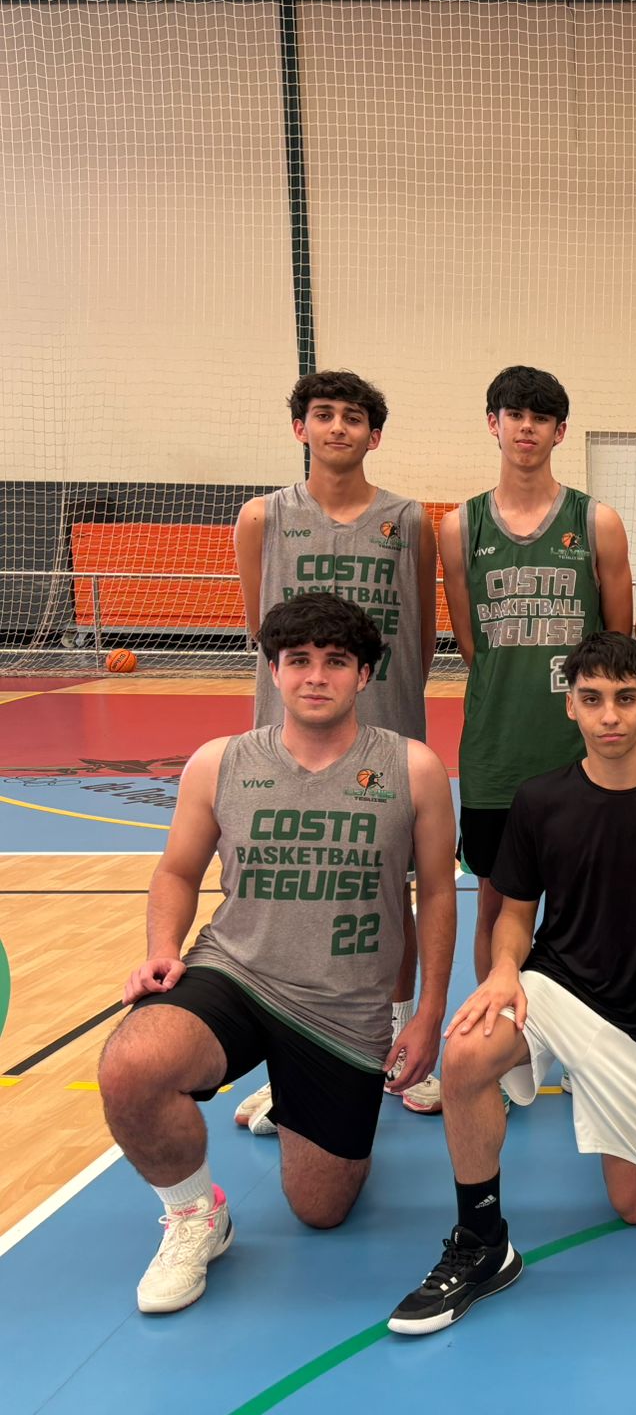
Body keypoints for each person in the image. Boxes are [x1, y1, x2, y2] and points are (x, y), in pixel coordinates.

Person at [97, 594, 456, 1313]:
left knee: (320, 1209)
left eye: (336, 661)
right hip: (236, 973)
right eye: (299, 660)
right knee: (131, 1067)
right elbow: (176, 872)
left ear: (364, 675)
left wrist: (426, 1018)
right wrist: (162, 949)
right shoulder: (220, 763)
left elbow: (439, 895)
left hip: (342, 1010)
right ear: (273, 669)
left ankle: (293, 1094)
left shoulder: (412, 769)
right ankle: (196, 1215)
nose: (315, 677)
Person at [388, 633, 636, 1333]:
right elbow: (515, 916)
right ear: (570, 705)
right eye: (592, 699)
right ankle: (482, 1240)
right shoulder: (540, 799)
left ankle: (620, 1099)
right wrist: (504, 971)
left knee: (634, 1206)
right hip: (554, 987)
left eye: (625, 698)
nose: (609, 716)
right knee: (466, 1055)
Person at [402, 365, 634, 1115]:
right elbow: (473, 644)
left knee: (591, 909)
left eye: (540, 417)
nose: (526, 427)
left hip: (582, 756)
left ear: (560, 431)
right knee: (497, 907)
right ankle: (498, 1047)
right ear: (493, 424)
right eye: (513, 414)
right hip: (497, 755)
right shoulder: (459, 527)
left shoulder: (596, 522)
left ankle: (589, 1048)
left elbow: (619, 644)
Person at [231, 370, 437, 1138]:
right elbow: (261, 630)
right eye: (324, 415)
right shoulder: (263, 517)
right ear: (301, 429)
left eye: (354, 417)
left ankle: (402, 1046)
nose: (338, 427)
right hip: (289, 741)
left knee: (396, 897)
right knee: (290, 901)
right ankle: (290, 1062)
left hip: (388, 731)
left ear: (374, 436)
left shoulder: (408, 520)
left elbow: (418, 631)